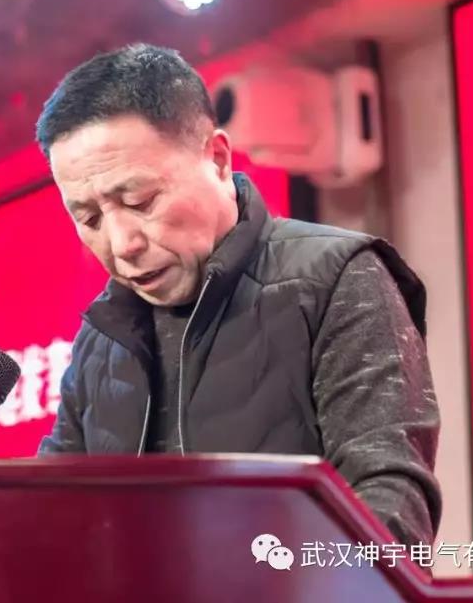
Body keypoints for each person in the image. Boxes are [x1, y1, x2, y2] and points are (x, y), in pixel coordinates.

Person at [34, 43, 441, 549]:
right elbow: (48, 518)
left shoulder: (335, 279)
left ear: (219, 159)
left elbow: (389, 509)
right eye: (89, 218)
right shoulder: (102, 341)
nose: (121, 244)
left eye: (139, 201)